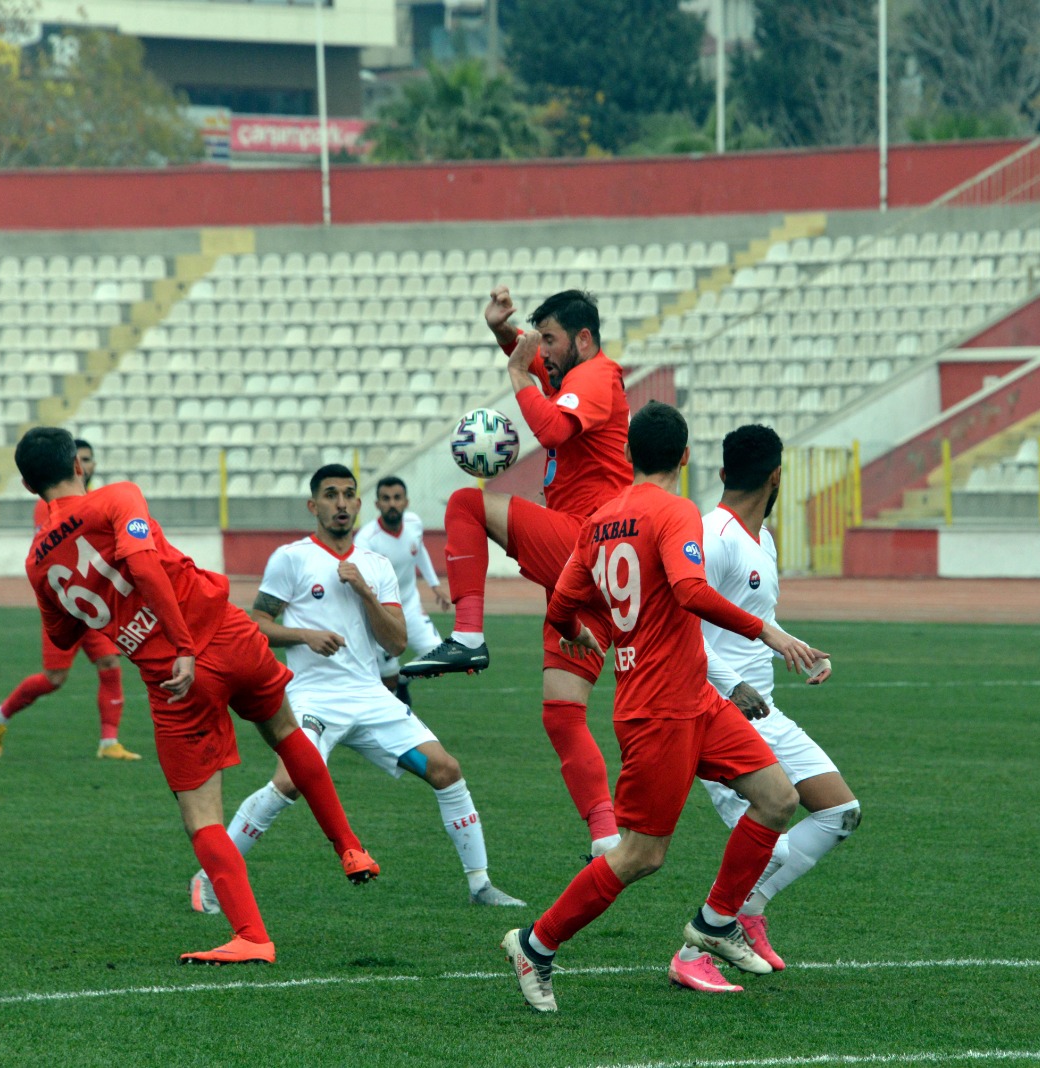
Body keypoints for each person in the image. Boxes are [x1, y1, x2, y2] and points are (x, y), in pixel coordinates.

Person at [500, 401, 828, 1012]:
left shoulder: (598, 519)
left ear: (627, 456)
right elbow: (689, 589)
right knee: (641, 855)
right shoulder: (674, 511)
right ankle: (535, 944)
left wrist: (575, 630)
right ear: (684, 456)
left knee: (778, 799)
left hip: (693, 696)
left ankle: (714, 924)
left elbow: (560, 605)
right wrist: (768, 633)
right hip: (658, 709)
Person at [13, 427, 379, 966]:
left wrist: (168, 640)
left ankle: (252, 936)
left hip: (174, 675)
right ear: (79, 463)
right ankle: (349, 846)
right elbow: (142, 561)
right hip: (227, 632)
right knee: (284, 733)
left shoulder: (36, 564)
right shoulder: (118, 496)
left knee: (201, 815)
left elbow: (65, 634)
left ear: (27, 485)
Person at [189, 464, 525, 912]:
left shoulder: (375, 565)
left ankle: (481, 885)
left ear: (358, 505)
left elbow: (397, 641)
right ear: (314, 506)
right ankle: (209, 878)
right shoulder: (291, 558)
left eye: (348, 494)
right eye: (330, 495)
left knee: (446, 769)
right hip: (311, 699)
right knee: (289, 782)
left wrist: (366, 592)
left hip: (369, 698)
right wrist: (304, 636)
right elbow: (256, 622)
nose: (341, 503)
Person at [404, 287, 632, 859]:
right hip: (588, 579)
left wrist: (517, 376)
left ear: (583, 338)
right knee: (562, 714)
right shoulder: (573, 375)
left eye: (549, 339)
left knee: (465, 506)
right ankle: (606, 834)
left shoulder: (597, 376)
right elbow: (535, 361)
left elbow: (553, 430)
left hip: (587, 544)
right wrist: (505, 332)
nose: (541, 352)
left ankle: (469, 637)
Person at [681, 424, 860, 974]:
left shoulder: (764, 538)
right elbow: (679, 627)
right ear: (776, 476)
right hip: (719, 715)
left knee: (840, 813)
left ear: (723, 472)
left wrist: (798, 649)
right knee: (772, 845)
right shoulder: (712, 536)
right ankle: (693, 950)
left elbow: (759, 618)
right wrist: (731, 684)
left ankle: (747, 910)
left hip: (767, 713)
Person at [0, 438, 140, 761]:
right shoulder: (49, 503)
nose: (87, 464)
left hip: (93, 600)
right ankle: (0, 715)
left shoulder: (100, 499)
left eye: (90, 458)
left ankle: (109, 743)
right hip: (66, 603)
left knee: (110, 663)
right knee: (55, 678)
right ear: (73, 465)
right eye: (82, 458)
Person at [353, 475, 450, 707]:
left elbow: (418, 550)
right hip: (382, 614)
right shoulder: (367, 540)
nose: (392, 503)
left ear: (406, 501)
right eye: (385, 499)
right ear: (377, 504)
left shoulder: (414, 524)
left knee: (441, 656)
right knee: (388, 682)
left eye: (397, 498)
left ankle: (404, 680)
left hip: (410, 605)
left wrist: (434, 585)